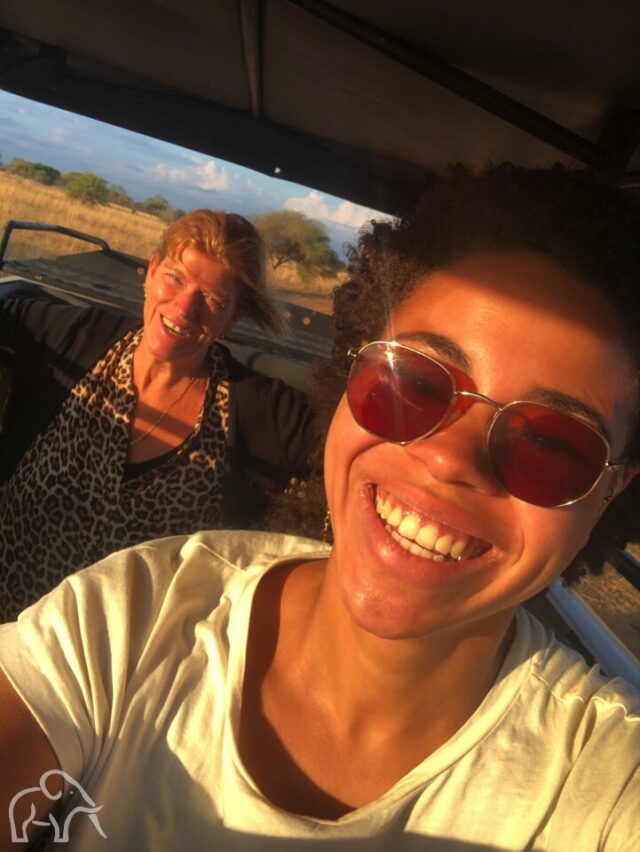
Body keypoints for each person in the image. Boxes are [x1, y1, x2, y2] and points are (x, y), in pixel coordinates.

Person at [0, 165, 638, 850]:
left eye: (550, 441)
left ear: (614, 490)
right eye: (413, 381)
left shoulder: (600, 779)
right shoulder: (135, 613)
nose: (452, 458)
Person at [0, 210, 316, 620]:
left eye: (214, 299)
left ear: (232, 320)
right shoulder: (75, 334)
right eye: (175, 278)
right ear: (150, 271)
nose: (185, 308)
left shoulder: (260, 411)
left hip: (111, 672)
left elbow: (350, 441)